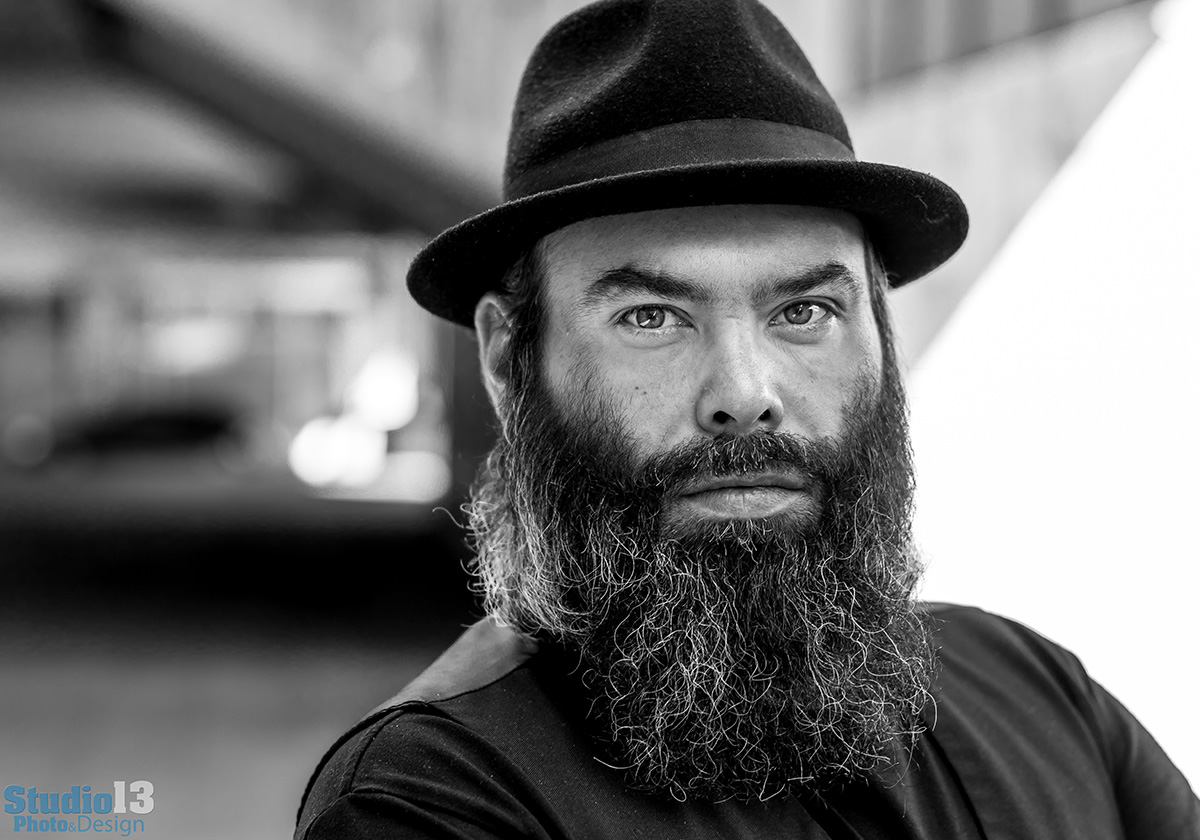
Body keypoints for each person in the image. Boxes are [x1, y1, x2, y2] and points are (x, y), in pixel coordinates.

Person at [295, 1, 1200, 837]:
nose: (744, 390)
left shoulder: (1039, 691)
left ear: (883, 336)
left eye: (804, 311)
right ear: (508, 360)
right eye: (650, 317)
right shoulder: (434, 798)